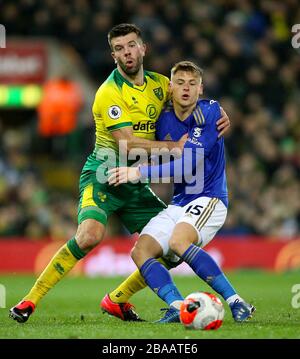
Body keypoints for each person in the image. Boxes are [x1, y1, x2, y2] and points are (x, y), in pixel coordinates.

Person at [9, 24, 229, 323]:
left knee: (168, 250)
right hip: (104, 174)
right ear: (113, 55)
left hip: (136, 180)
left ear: (143, 48)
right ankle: (28, 302)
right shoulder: (109, 93)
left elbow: (191, 101)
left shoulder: (161, 85)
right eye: (120, 48)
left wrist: (217, 112)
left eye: (131, 45)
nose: (127, 52)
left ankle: (119, 300)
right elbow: (126, 145)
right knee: (89, 236)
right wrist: (174, 147)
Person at [107, 60, 255, 323]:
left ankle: (236, 301)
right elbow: (152, 150)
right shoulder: (163, 119)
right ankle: (177, 306)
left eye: (192, 84)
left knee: (178, 242)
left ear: (201, 89)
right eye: (180, 83)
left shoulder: (209, 113)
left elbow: (188, 164)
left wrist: (139, 173)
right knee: (140, 252)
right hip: (179, 203)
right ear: (170, 87)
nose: (186, 89)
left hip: (209, 197)